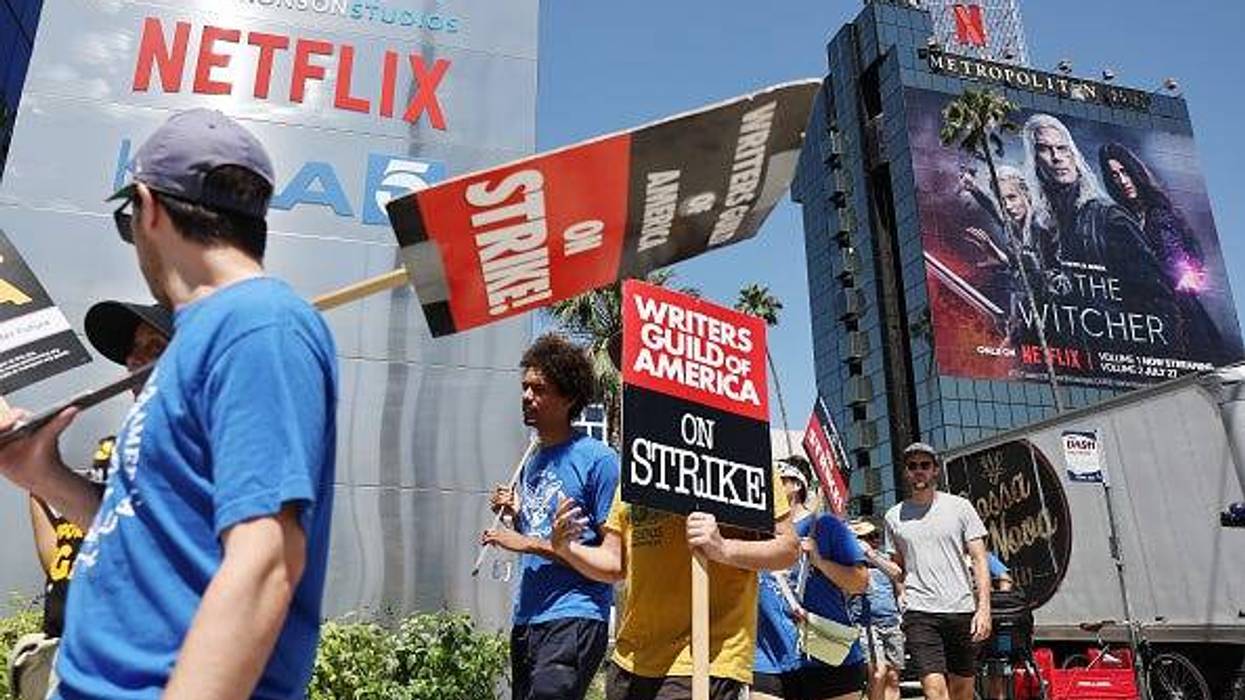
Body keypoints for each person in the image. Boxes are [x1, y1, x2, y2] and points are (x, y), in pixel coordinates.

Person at [0, 108, 338, 699]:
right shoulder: (200, 343)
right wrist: (44, 476)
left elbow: (266, 562)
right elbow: (148, 532)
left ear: (146, 207)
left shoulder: (259, 323)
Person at [12, 301, 172, 700]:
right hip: (65, 662)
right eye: (133, 350)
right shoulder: (117, 455)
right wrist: (40, 477)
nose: (133, 359)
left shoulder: (198, 461)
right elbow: (67, 560)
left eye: (154, 347)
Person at [551, 465, 799, 699]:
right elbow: (616, 564)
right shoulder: (636, 466)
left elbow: (788, 549)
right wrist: (567, 549)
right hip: (631, 661)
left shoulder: (742, 456)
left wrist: (723, 548)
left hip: (703, 658)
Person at [480, 334, 619, 700]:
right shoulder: (533, 460)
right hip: (528, 618)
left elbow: (613, 563)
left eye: (538, 389)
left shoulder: (599, 461)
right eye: (525, 387)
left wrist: (524, 541)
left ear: (569, 397)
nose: (527, 397)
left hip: (574, 615)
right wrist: (516, 517)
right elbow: (547, 534)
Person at [1098, 141, 1230, 359]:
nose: (1122, 181)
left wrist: (1185, 279)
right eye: (1113, 175)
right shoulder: (1125, 219)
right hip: (1154, 320)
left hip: (1181, 316)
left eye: (1124, 172)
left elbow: (1179, 262)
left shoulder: (1158, 213)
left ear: (1135, 171)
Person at [884, 442, 992, 700]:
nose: (919, 471)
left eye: (925, 465)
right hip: (920, 612)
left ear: (935, 471)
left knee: (962, 689)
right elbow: (898, 566)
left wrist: (984, 609)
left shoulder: (960, 507)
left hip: (961, 609)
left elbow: (979, 559)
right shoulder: (893, 516)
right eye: (913, 466)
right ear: (906, 473)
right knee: (934, 690)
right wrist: (901, 593)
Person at [960, 166, 1068, 344]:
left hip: (1047, 310)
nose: (1008, 207)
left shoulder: (1041, 227)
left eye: (1012, 197)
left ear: (1025, 194)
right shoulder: (1013, 224)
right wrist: (974, 189)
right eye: (1003, 201)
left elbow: (1041, 272)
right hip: (1024, 306)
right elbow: (994, 210)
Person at [752, 461, 817, 700]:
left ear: (797, 485)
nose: (771, 485)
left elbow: (856, 583)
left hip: (806, 645)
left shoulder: (817, 526)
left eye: (780, 479)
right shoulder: (757, 525)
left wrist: (818, 557)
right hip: (762, 647)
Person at [796, 511, 870, 700]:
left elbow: (860, 582)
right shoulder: (753, 526)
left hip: (829, 657)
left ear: (797, 484)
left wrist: (819, 562)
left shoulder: (824, 524)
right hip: (771, 661)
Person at [849, 520, 904, 700]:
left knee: (893, 677)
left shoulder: (881, 558)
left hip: (891, 621)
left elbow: (897, 575)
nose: (872, 540)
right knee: (877, 674)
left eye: (874, 536)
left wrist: (872, 555)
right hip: (866, 624)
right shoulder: (852, 563)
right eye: (866, 537)